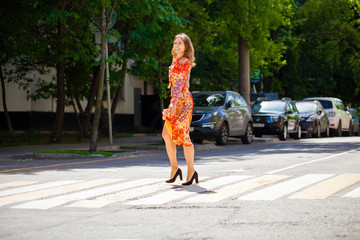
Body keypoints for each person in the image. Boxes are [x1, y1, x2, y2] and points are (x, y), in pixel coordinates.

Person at [162, 33, 198, 186]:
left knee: (184, 137)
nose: (176, 46)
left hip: (182, 102)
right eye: (175, 43)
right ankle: (175, 168)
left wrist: (174, 103)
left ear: (186, 47)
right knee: (166, 134)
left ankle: (191, 170)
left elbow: (179, 84)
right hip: (176, 100)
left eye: (180, 44)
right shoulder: (175, 61)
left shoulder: (184, 62)